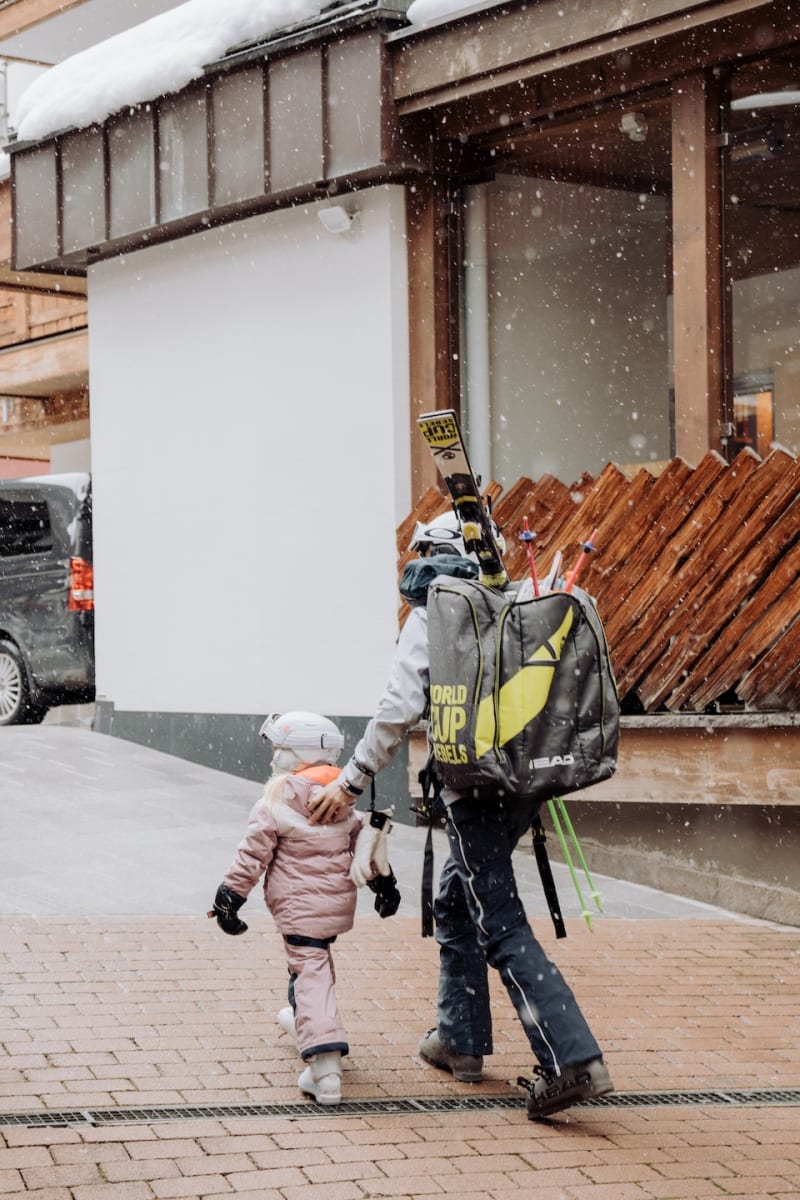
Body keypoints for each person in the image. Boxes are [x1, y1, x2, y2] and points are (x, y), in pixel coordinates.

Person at [308, 512, 614, 1119]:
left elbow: (398, 707)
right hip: (522, 782)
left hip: (472, 790)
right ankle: (460, 1040)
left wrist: (351, 782)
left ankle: (571, 1058)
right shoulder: (515, 598)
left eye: (421, 547)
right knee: (456, 896)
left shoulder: (438, 611)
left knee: (498, 919)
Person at [209, 710, 392, 1107]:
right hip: (333, 907)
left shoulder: (276, 800)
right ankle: (305, 1021)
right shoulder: (345, 800)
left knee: (310, 971)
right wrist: (384, 884)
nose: (274, 758)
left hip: (298, 907)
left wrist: (229, 898)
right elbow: (365, 844)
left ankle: (325, 1068)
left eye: (279, 751)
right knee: (313, 962)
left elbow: (251, 856)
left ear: (295, 757)